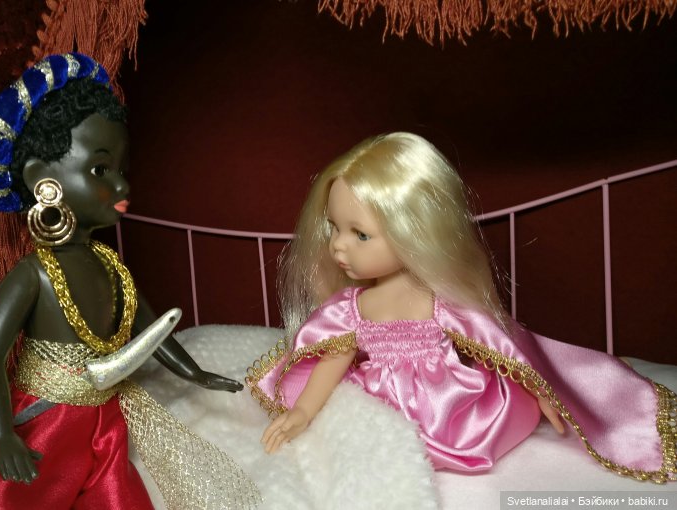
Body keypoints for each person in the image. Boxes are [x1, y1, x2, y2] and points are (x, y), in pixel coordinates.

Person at [247, 132, 676, 481]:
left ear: (413, 231)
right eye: (334, 228)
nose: (338, 245)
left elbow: (501, 346)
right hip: (380, 403)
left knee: (498, 412)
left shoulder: (440, 303)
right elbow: (333, 360)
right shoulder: (352, 309)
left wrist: (543, 389)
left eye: (359, 234)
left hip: (448, 405)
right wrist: (303, 411)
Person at [0, 53, 258, 509]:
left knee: (117, 496)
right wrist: (2, 434)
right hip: (46, 424)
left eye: (122, 170)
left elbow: (150, 328)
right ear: (43, 179)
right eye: (101, 170)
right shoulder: (34, 273)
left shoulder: (110, 264)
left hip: (102, 423)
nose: (121, 186)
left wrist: (194, 372)